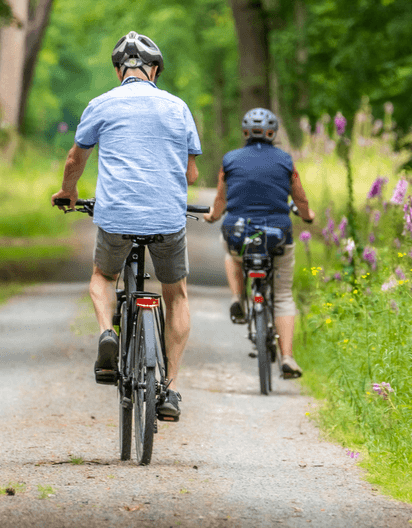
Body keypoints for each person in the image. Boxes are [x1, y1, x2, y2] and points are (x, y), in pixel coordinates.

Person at [51, 31, 202, 421]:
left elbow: (74, 159)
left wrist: (69, 192)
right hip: (168, 218)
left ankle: (107, 333)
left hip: (116, 215)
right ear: (154, 70)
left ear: (120, 70)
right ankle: (169, 390)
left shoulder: (101, 104)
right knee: (177, 295)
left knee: (103, 276)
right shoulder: (177, 107)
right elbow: (192, 171)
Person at [203, 108, 314, 379]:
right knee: (284, 296)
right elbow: (299, 198)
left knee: (230, 251)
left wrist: (213, 216)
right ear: (272, 133)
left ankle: (237, 297)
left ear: (244, 133)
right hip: (277, 235)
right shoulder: (286, 160)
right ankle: (287, 357)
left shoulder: (230, 160)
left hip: (239, 234)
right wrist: (308, 216)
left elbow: (221, 199)